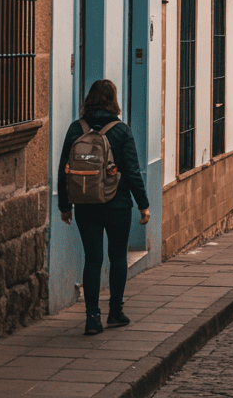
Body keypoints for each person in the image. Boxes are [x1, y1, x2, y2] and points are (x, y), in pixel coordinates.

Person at [57, 79, 150, 336]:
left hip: (86, 205)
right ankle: (116, 312)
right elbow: (132, 171)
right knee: (117, 257)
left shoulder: (77, 129)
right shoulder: (121, 131)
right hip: (117, 205)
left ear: (89, 99)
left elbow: (64, 169)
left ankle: (92, 317)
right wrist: (143, 205)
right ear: (113, 100)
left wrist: (65, 205)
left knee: (93, 259)